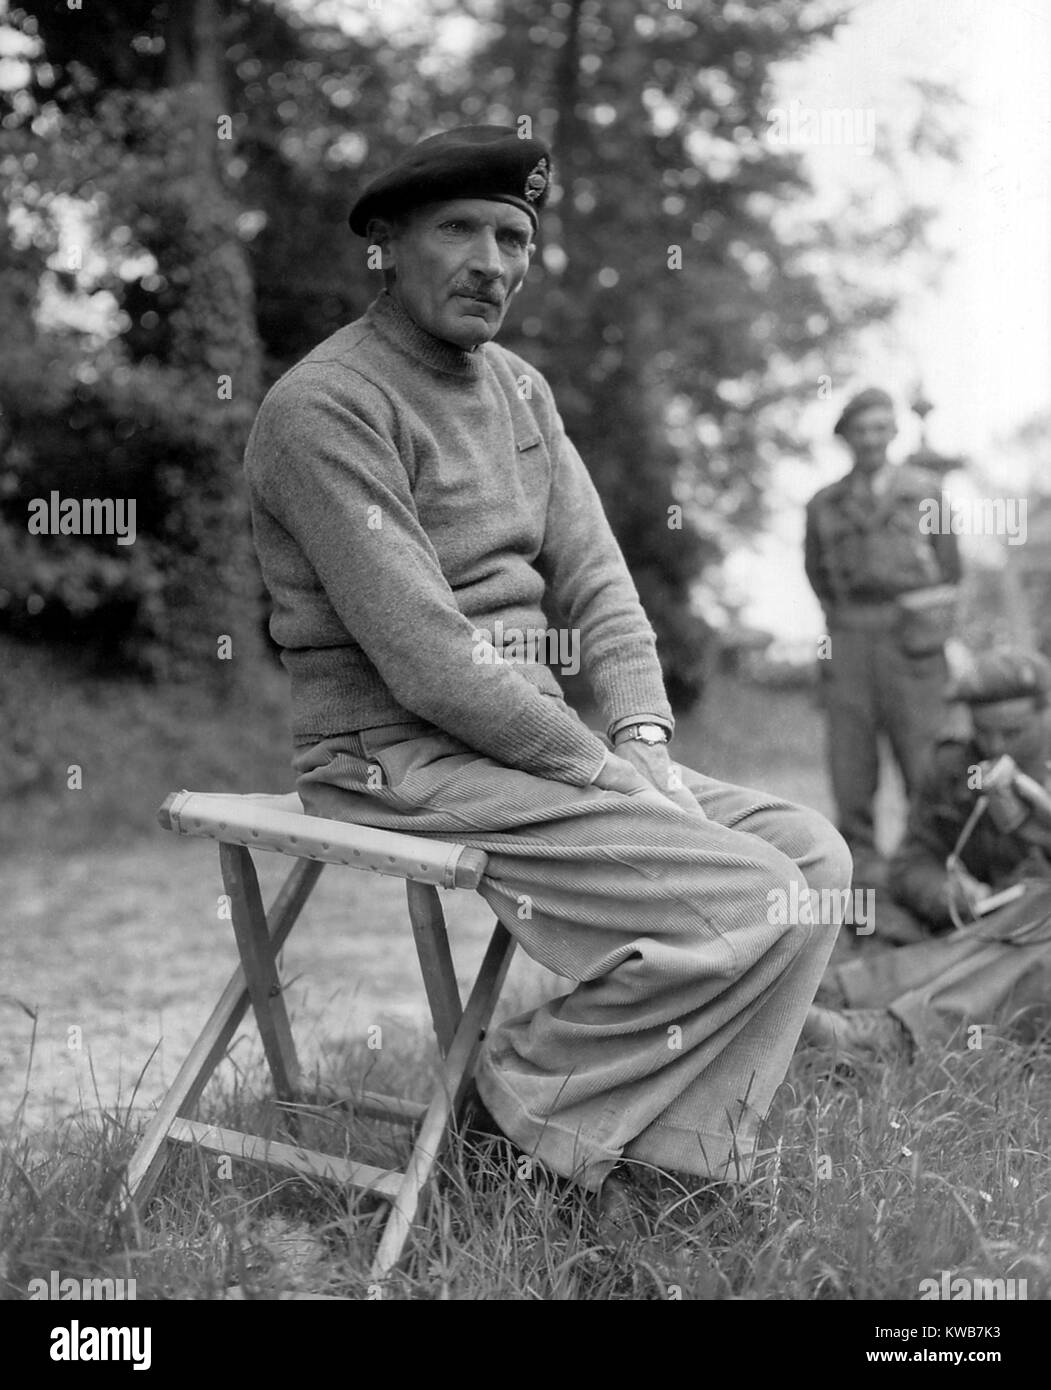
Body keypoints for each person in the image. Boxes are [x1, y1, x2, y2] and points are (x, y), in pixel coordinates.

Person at [243, 126, 851, 1229]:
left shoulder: (521, 391)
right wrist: (595, 769)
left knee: (812, 853)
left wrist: (642, 742)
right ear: (384, 245)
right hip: (391, 755)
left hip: (527, 748)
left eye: (513, 236)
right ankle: (507, 1125)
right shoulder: (322, 407)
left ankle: (672, 1170)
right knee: (749, 893)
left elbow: (602, 586)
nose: (492, 261)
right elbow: (428, 660)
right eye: (459, 230)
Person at [806, 649, 1051, 1056]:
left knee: (1036, 919)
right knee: (863, 885)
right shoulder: (958, 763)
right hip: (980, 924)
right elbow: (913, 858)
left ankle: (893, 1033)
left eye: (1013, 733)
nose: (995, 746)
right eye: (984, 731)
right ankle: (842, 994)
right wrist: (946, 893)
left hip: (1030, 931)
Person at [804, 388, 962, 889]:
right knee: (851, 765)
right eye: (860, 430)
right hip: (850, 636)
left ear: (893, 433)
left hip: (911, 640)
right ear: (846, 437)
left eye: (879, 428)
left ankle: (933, 872)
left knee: (923, 760)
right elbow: (816, 575)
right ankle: (864, 882)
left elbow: (950, 567)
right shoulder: (823, 504)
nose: (870, 439)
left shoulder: (927, 493)